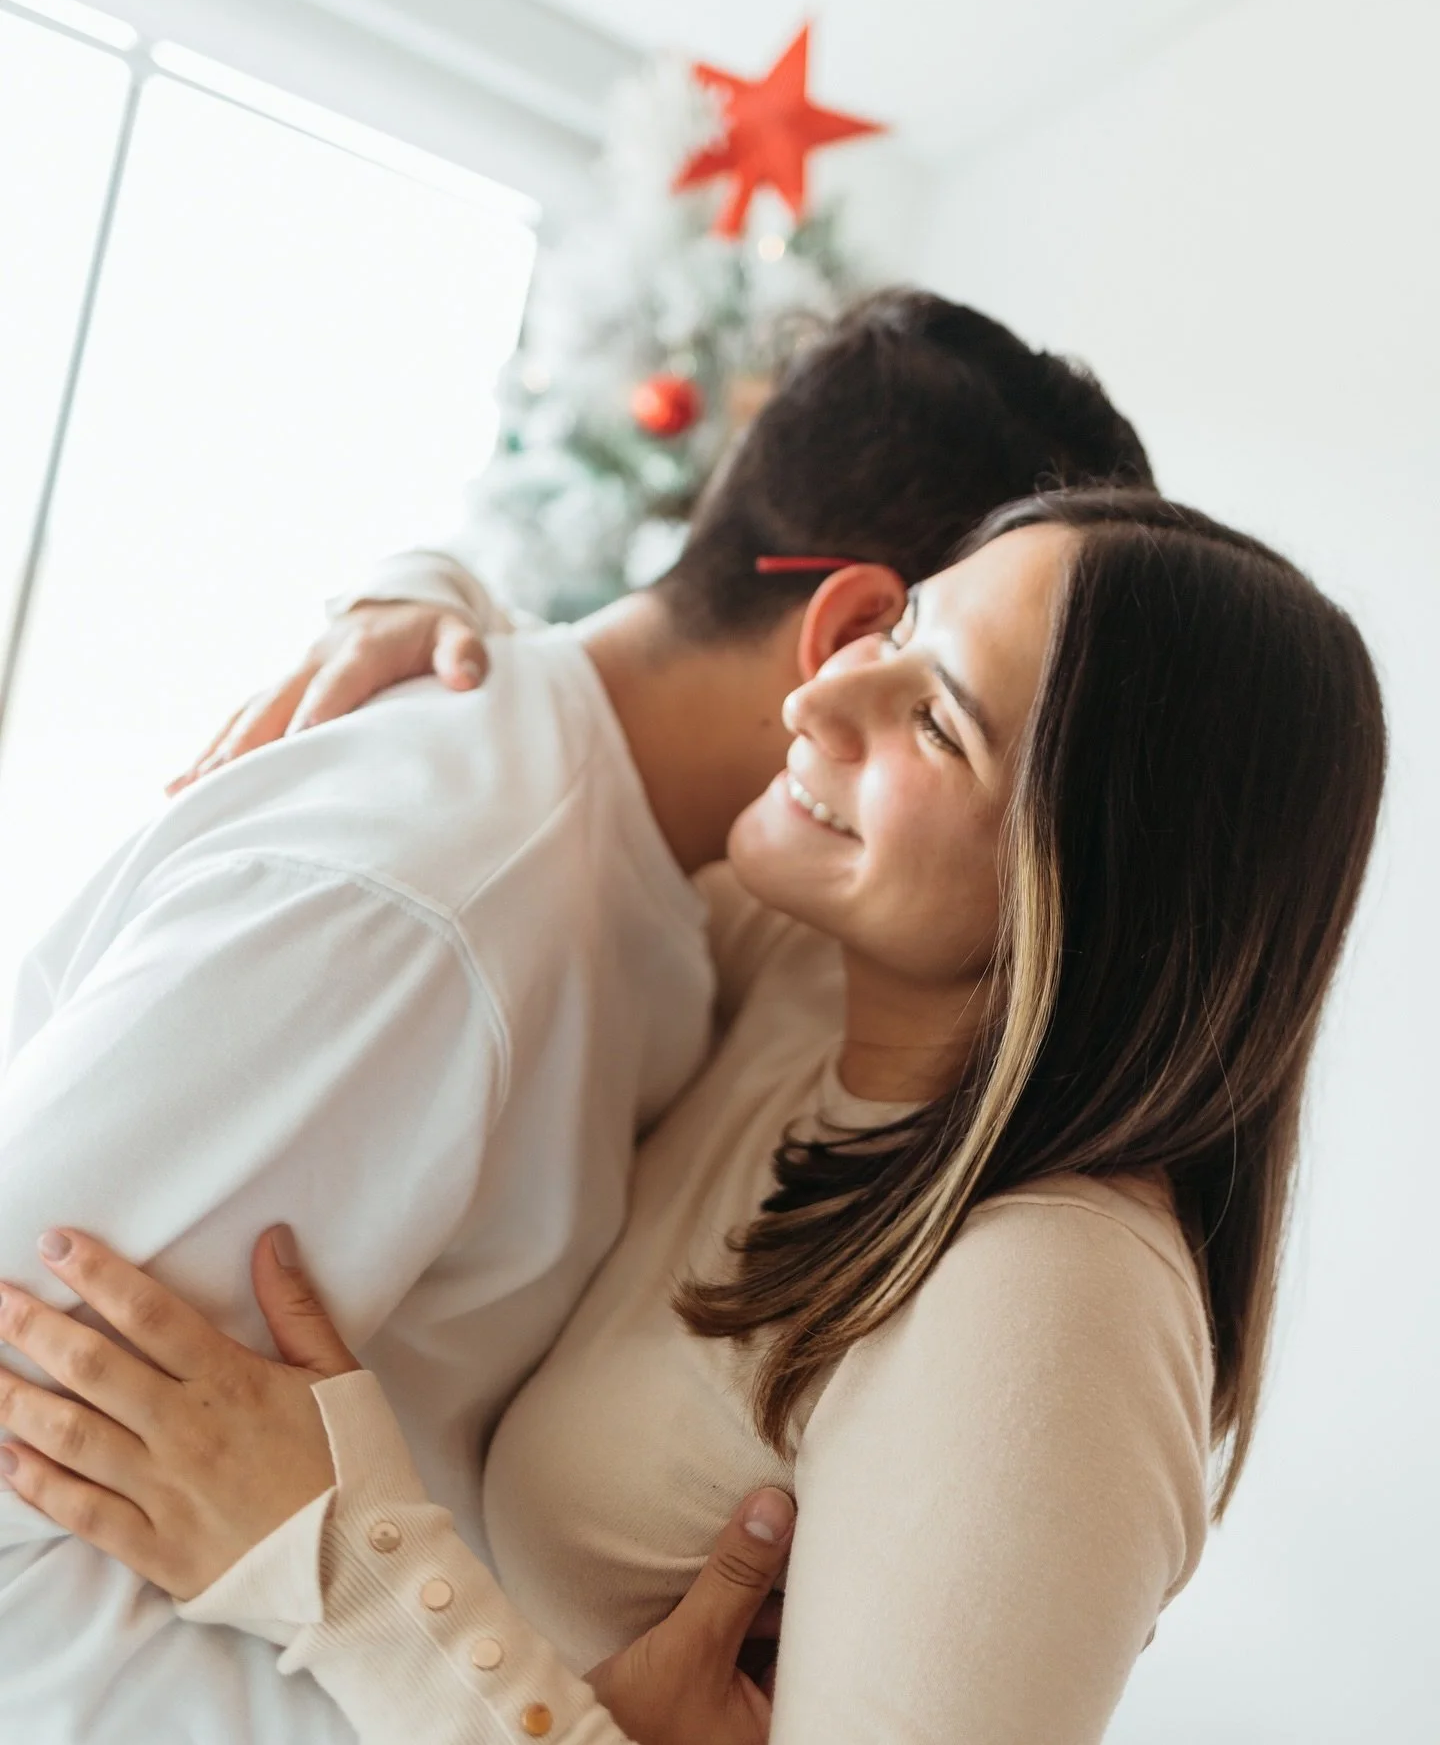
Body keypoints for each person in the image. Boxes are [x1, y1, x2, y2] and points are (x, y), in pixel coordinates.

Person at [0, 488, 1385, 1744]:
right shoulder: (807, 982)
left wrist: (339, 1560)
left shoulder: (1055, 1295)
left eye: (935, 720)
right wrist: (422, 602)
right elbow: (628, 697)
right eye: (893, 624)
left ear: (1105, 897)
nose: (818, 701)